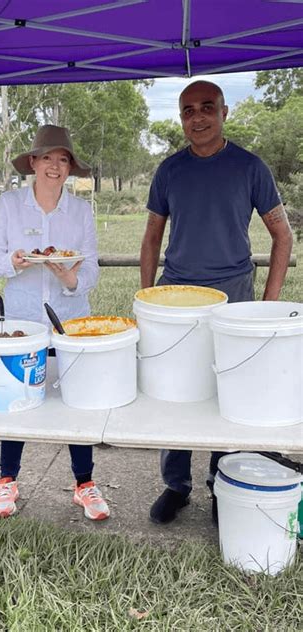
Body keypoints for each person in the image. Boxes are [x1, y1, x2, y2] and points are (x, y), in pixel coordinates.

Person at [140, 81, 293, 525]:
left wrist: (267, 307)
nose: (198, 117)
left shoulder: (250, 167)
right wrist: (146, 297)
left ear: (224, 111)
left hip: (234, 300)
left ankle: (222, 482)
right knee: (175, 393)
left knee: (230, 393)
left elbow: (282, 235)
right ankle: (176, 485)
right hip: (175, 300)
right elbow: (151, 237)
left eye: (207, 108)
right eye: (188, 110)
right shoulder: (169, 171)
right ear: (181, 118)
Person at [0, 124, 110, 521]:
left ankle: (84, 483)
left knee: (76, 398)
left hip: (69, 320)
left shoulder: (81, 211)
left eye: (63, 159)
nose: (54, 166)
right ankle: (7, 480)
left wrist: (71, 279)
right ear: (32, 163)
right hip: (22, 321)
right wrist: (13, 262)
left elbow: (90, 267)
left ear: (69, 168)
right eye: (47, 158)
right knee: (14, 394)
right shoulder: (8, 205)